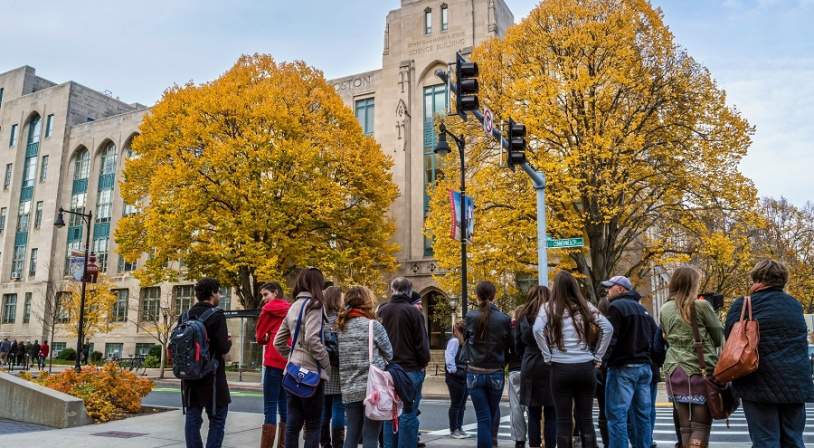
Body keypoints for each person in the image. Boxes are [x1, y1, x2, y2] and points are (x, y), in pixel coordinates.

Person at [725, 260, 814, 447]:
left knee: (765, 440)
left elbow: (730, 341)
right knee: (793, 440)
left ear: (756, 278)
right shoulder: (795, 305)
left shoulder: (744, 305)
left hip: (758, 383)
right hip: (795, 384)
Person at [534, 270, 613, 448]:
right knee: (586, 419)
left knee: (563, 420)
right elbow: (608, 328)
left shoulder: (548, 307)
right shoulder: (586, 306)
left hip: (560, 366)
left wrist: (548, 355)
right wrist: (598, 356)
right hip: (585, 367)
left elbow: (537, 330)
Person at [660, 267, 722, 448]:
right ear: (692, 284)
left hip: (674, 372)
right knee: (700, 426)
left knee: (685, 428)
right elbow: (718, 336)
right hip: (698, 370)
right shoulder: (700, 305)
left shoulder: (665, 308)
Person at [274, 267, 331, 448]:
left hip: (292, 371)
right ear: (317, 284)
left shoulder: (293, 306)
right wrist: (326, 364)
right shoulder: (315, 305)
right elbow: (313, 339)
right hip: (312, 373)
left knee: (293, 424)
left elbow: (278, 342)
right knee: (313, 424)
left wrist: (293, 356)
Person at [601, 275, 657, 448]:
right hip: (644, 368)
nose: (606, 291)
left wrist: (602, 361)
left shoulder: (615, 307)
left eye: (609, 287)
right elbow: (656, 338)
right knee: (642, 416)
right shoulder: (643, 311)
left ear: (620, 289)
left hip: (622, 368)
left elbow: (610, 338)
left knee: (617, 416)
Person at [336, 286, 393, 448]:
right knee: (371, 436)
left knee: (352, 434)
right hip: (373, 388)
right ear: (367, 301)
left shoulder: (341, 327)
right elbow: (390, 353)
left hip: (349, 387)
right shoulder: (373, 325)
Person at [378, 277, 430, 448]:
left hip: (388, 369)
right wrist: (423, 363)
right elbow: (421, 344)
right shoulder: (414, 312)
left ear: (392, 289)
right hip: (410, 369)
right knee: (408, 413)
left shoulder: (383, 311)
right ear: (409, 291)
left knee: (390, 413)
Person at [183, 278, 232, 448]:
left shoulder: (185, 315)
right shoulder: (217, 315)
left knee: (192, 416)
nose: (220, 295)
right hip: (212, 377)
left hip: (189, 376)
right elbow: (223, 348)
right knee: (218, 418)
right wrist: (229, 341)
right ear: (212, 293)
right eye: (218, 291)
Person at [464, 281, 512, 448]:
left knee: (483, 418)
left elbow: (466, 340)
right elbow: (509, 346)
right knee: (491, 412)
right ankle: (492, 441)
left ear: (477, 295)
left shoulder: (470, 316)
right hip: (495, 372)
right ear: (493, 295)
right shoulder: (504, 319)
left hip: (475, 372)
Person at [517, 286, 556, 448]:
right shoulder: (553, 315)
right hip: (550, 363)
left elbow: (517, 344)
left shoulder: (522, 315)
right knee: (551, 412)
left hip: (530, 362)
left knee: (533, 412)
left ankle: (533, 445)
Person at [256, 281, 291, 448]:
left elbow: (260, 336)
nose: (264, 299)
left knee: (270, 405)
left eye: (265, 294)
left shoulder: (267, 310)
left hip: (272, 359)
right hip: (288, 360)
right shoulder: (291, 308)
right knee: (285, 405)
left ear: (275, 292)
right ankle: (283, 445)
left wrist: (267, 337)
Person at [321, 286, 346, 448]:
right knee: (338, 408)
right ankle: (338, 444)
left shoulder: (319, 320)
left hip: (323, 369)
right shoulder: (343, 321)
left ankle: (324, 442)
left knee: (323, 409)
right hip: (340, 370)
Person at [445, 320, 469, 440]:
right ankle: (454, 429)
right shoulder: (454, 341)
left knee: (462, 404)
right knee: (456, 404)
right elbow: (449, 358)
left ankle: (459, 428)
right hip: (456, 377)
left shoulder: (463, 342)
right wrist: (455, 371)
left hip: (463, 376)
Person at [506, 307, 526, 448]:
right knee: (533, 407)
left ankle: (519, 439)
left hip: (514, 369)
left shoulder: (511, 331)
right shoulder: (531, 327)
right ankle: (536, 436)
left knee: (516, 408)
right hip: (530, 369)